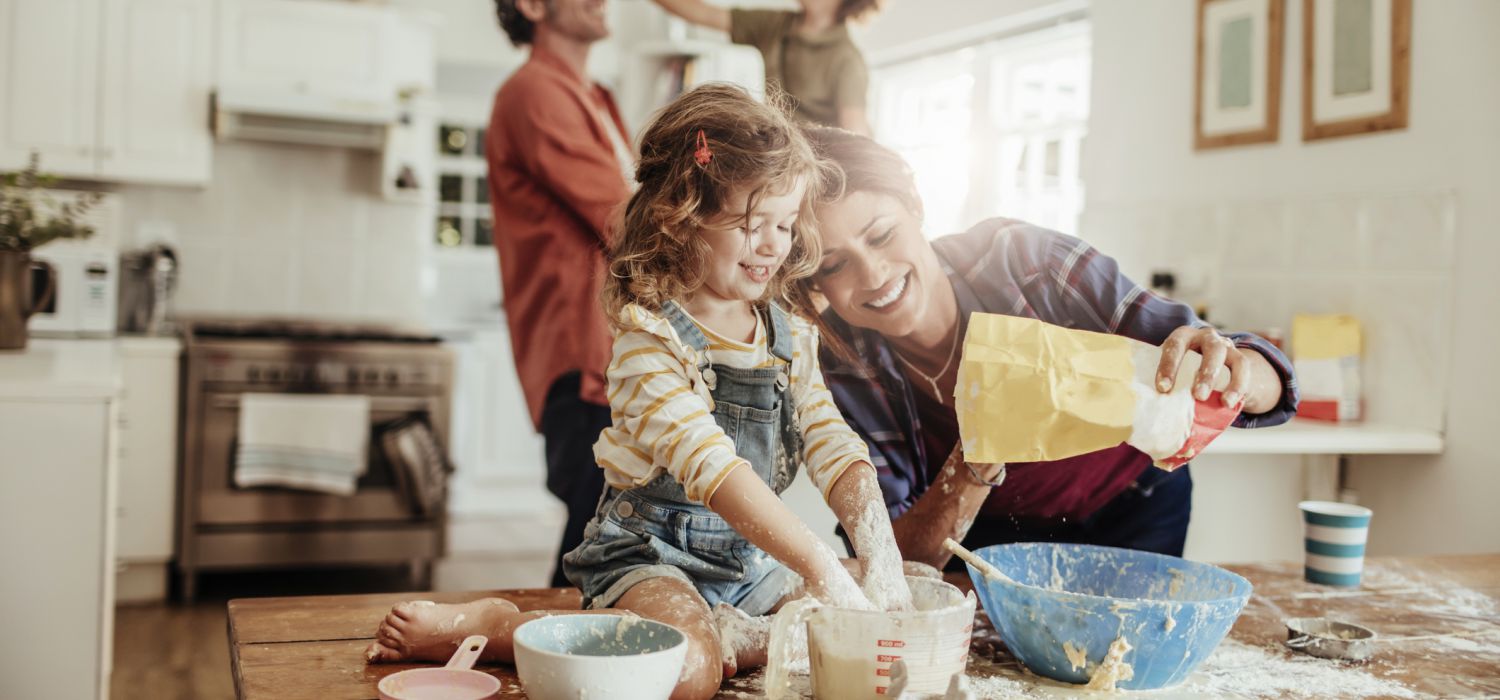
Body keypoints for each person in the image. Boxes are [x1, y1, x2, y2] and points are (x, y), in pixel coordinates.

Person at [368, 85, 912, 700]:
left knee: (907, 583)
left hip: (747, 566)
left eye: (785, 224)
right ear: (680, 217)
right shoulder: (647, 346)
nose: (773, 244)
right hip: (651, 559)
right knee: (687, 672)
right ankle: (507, 629)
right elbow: (713, 470)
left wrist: (880, 553)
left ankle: (731, 633)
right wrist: (818, 568)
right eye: (751, 223)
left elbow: (831, 440)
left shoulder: (792, 339)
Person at [789, 127, 1300, 570]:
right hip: (984, 546)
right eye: (833, 266)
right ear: (814, 283)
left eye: (881, 235)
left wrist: (1238, 372)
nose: (873, 275)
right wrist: (975, 458)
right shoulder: (839, 369)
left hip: (1132, 511)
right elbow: (892, 558)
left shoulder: (1028, 265)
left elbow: (1264, 385)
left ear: (917, 208)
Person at [485, 0, 635, 586]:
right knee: (594, 549)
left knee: (603, 542)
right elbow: (626, 223)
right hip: (583, 359)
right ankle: (536, 665)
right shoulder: (534, 93)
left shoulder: (592, 97)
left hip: (607, 353)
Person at [648, 0, 878, 135]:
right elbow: (703, 13)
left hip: (815, 175)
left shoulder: (847, 60)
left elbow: (855, 134)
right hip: (778, 154)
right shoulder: (776, 25)